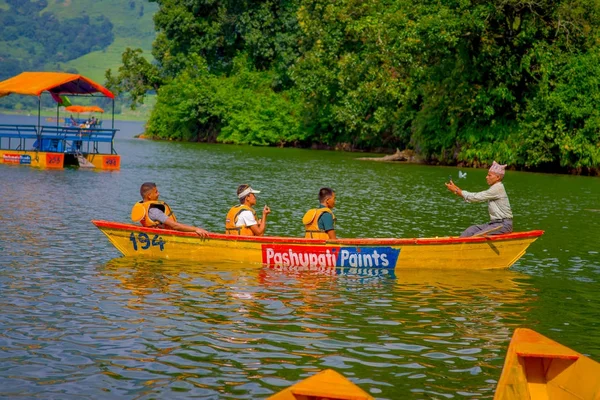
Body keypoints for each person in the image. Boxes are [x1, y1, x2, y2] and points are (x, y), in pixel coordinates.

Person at [445, 161, 513, 237]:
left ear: (498, 177)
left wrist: (456, 190)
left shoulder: (497, 188)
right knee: (470, 230)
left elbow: (476, 197)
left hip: (503, 225)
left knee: (477, 236)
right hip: (494, 223)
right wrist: (457, 189)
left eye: (489, 175)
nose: (486, 177)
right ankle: (457, 245)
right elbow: (473, 196)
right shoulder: (495, 188)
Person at [131, 182, 209, 237]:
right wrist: (196, 229)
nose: (158, 194)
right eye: (156, 192)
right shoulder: (154, 211)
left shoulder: (143, 207)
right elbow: (174, 226)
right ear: (149, 196)